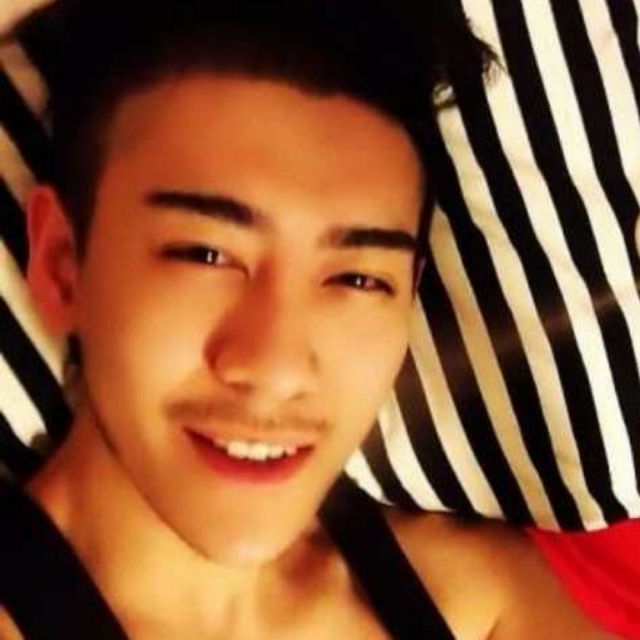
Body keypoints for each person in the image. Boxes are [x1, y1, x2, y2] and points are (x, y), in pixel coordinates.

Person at [0, 1, 620, 638]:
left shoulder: (479, 602)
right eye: (205, 254)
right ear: (62, 265)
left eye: (359, 279)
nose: (277, 370)